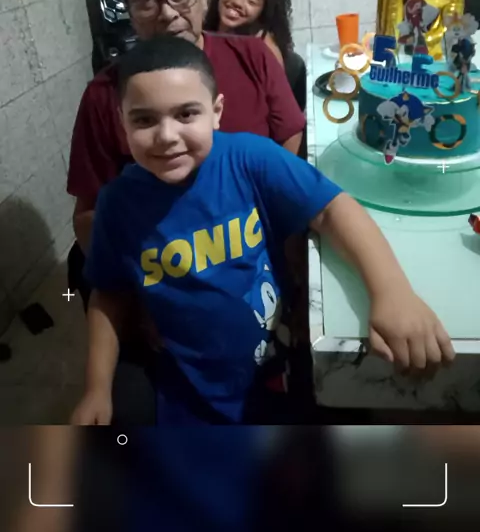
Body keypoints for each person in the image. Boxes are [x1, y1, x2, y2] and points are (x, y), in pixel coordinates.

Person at [71, 35, 455, 427]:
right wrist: (96, 388)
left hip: (281, 370)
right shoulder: (116, 204)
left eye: (186, 114)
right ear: (121, 121)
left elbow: (332, 209)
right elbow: (109, 292)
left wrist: (392, 292)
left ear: (216, 112)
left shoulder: (249, 159)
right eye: (144, 120)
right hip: (188, 392)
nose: (167, 136)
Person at [67, 0, 306, 422]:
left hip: (258, 265)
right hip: (171, 281)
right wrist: (144, 299)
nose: (167, 12)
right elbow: (89, 216)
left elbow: (290, 138)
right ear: (128, 9)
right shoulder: (104, 96)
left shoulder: (253, 56)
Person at [204, 0, 293, 66]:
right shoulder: (202, 33)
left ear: (263, 12)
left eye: (251, 1)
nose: (237, 2)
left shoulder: (265, 51)